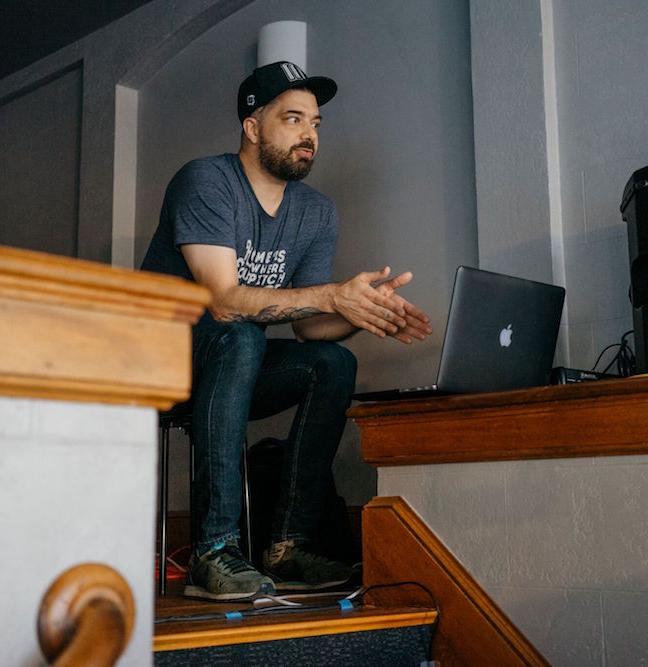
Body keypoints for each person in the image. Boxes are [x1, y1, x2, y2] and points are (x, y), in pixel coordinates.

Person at [141, 61, 432, 601]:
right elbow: (225, 302)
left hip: (234, 363)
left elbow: (310, 330)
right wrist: (330, 293)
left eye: (316, 124)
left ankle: (288, 546)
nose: (309, 135)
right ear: (252, 127)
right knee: (240, 334)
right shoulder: (205, 181)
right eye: (293, 119)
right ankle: (214, 549)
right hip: (162, 362)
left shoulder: (316, 213)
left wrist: (361, 310)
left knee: (335, 363)